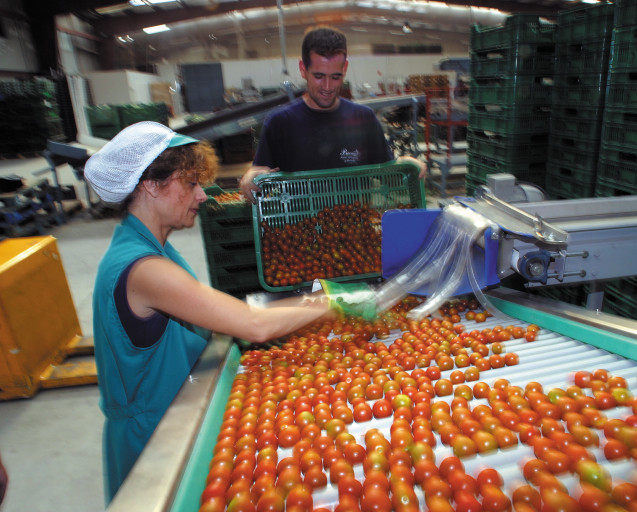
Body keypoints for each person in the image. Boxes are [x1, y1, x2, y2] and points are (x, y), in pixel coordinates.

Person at [83, 121, 334, 504]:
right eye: (189, 183)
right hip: (155, 438)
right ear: (150, 185)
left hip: (172, 411)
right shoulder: (143, 268)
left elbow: (208, 310)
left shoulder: (150, 247)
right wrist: (332, 303)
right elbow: (254, 326)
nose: (201, 195)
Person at [240, 26, 426, 200]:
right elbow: (260, 181)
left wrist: (406, 166)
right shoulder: (280, 123)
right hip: (298, 223)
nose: (327, 87)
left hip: (355, 222)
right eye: (319, 76)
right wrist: (250, 179)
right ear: (303, 69)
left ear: (345, 68)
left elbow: (388, 176)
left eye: (335, 77)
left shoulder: (363, 119)